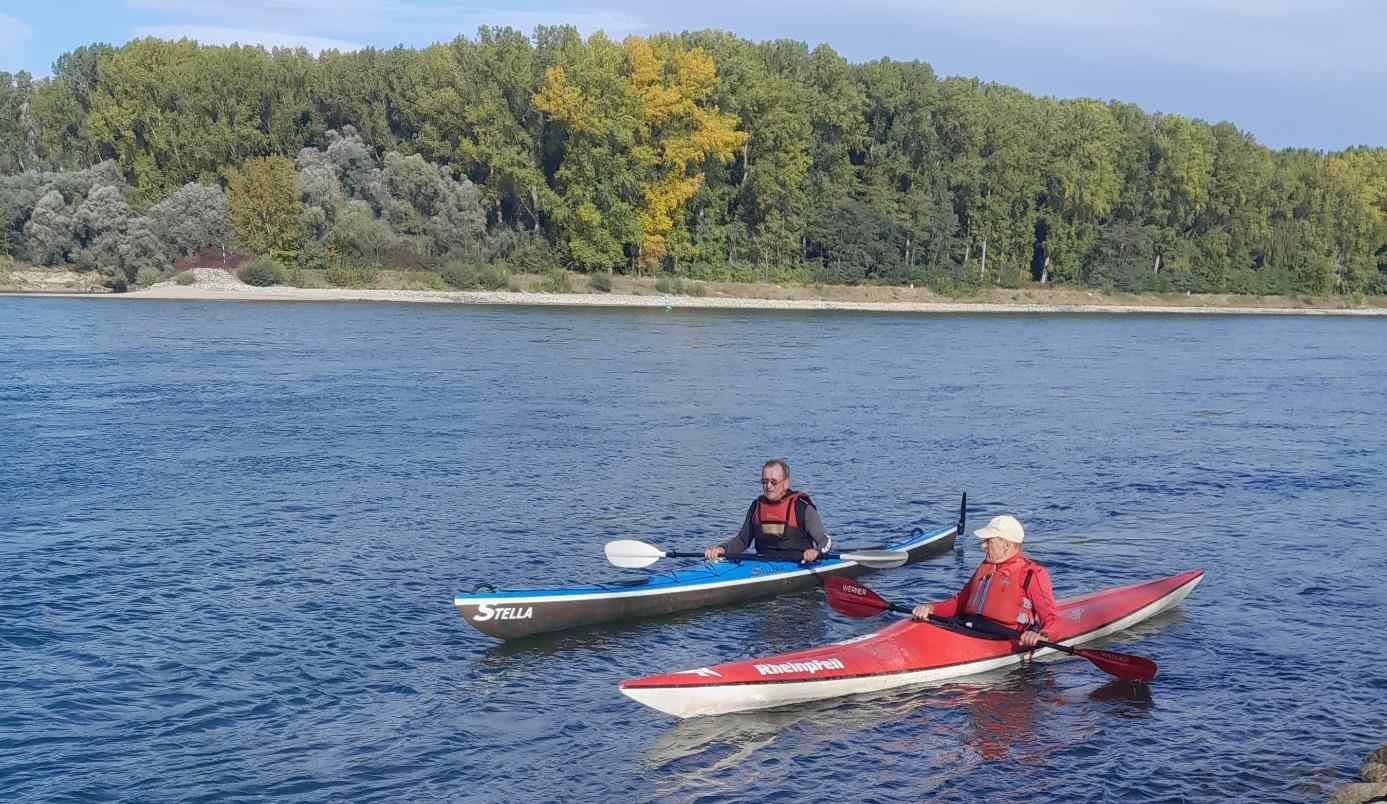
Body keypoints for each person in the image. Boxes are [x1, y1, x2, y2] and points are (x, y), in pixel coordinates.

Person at [911, 514, 1057, 648]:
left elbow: (1051, 619)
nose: (982, 546)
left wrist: (1042, 635)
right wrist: (931, 609)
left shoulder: (1031, 574)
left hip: (1002, 636)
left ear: (1007, 545)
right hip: (969, 626)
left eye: (988, 541)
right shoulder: (986, 567)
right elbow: (959, 603)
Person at [703, 459, 831, 564]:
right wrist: (721, 549)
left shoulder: (802, 507)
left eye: (774, 482)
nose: (768, 486)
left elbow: (824, 540)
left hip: (798, 563)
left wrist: (816, 552)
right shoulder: (757, 506)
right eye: (764, 482)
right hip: (762, 561)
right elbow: (742, 540)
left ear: (786, 483)